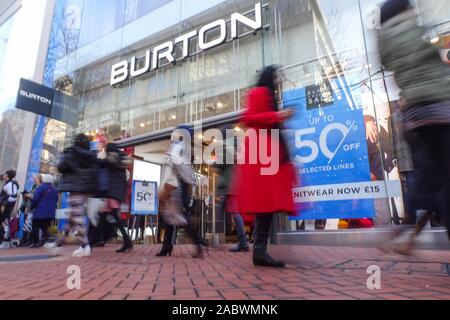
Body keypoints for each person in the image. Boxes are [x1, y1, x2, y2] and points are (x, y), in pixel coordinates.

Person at [378, 0, 450, 254]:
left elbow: (387, 64)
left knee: (438, 176)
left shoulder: (385, 39)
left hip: (415, 115)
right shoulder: (417, 28)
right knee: (439, 178)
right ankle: (407, 227)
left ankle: (409, 227)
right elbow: (435, 52)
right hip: (440, 109)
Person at [230, 66, 296, 267]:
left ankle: (260, 250)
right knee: (266, 202)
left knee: (267, 202)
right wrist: (278, 116)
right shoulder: (259, 92)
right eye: (275, 77)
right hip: (262, 151)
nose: (277, 81)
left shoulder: (265, 93)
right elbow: (249, 118)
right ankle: (259, 250)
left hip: (267, 150)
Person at [45, 134, 98, 257]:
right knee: (72, 219)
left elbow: (61, 167)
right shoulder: (90, 155)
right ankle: (57, 244)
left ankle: (85, 246)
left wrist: (65, 155)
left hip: (75, 188)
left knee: (77, 218)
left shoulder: (72, 153)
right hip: (87, 189)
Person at [157, 127, 206, 258]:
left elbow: (175, 164)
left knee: (179, 217)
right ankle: (167, 245)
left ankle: (197, 242)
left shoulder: (178, 146)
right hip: (180, 183)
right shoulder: (184, 147)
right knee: (170, 216)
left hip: (176, 185)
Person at [215, 125, 249, 252]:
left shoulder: (225, 147)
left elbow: (219, 166)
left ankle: (243, 242)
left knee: (234, 212)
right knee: (228, 210)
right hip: (235, 182)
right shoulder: (237, 145)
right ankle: (241, 241)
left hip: (229, 184)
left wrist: (216, 163)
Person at [98, 143, 134, 253]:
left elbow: (100, 163)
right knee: (103, 216)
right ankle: (98, 239)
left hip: (111, 193)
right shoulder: (120, 159)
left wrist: (96, 155)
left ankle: (127, 241)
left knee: (112, 217)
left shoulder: (110, 159)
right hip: (117, 192)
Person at [29, 174, 57, 248]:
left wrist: (31, 207)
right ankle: (45, 241)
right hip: (50, 213)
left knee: (35, 226)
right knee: (46, 227)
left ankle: (35, 242)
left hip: (39, 212)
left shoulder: (40, 188)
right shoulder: (54, 189)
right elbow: (56, 199)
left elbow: (35, 199)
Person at [20, 174, 42, 246]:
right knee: (26, 225)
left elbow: (37, 197)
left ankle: (29, 240)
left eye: (35, 179)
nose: (34, 180)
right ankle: (24, 240)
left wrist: (29, 195)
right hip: (28, 207)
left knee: (31, 225)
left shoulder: (40, 187)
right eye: (34, 179)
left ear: (39, 179)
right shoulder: (33, 186)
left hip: (34, 209)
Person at [0, 170, 20, 249]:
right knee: (3, 222)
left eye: (4, 174)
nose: (3, 175)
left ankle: (4, 241)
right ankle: (4, 240)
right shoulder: (10, 183)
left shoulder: (10, 184)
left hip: (5, 207)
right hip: (5, 206)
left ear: (7, 175)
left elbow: (12, 196)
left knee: (3, 222)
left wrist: (4, 205)